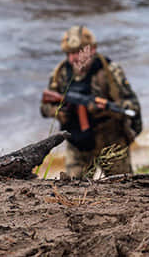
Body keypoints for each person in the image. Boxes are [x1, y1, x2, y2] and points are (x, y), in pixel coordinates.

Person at [41, 26, 142, 178]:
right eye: (69, 53)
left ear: (92, 50)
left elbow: (133, 106)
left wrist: (106, 109)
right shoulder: (60, 73)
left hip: (111, 141)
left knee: (124, 187)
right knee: (74, 191)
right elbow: (45, 107)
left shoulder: (110, 71)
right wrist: (61, 113)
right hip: (77, 144)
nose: (74, 58)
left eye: (78, 52)